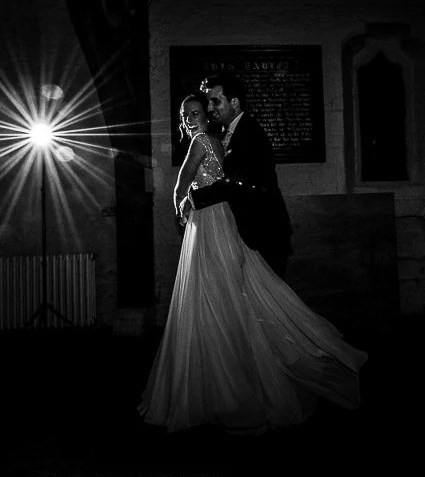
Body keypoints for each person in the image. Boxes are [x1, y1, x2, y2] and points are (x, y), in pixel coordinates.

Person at [138, 91, 367, 435]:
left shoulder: (200, 141)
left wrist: (179, 208)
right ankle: (239, 373)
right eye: (184, 113)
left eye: (196, 111)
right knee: (229, 293)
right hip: (223, 219)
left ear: (207, 115)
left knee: (210, 296)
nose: (189, 117)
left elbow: (182, 183)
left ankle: (223, 384)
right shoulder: (217, 139)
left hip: (209, 223)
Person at [187, 73, 292, 279]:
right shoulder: (229, 132)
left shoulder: (250, 133)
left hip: (264, 232)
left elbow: (238, 183)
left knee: (268, 304)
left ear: (234, 102)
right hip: (248, 232)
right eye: (208, 102)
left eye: (215, 101)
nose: (209, 108)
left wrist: (194, 198)